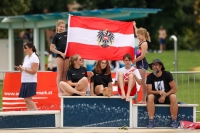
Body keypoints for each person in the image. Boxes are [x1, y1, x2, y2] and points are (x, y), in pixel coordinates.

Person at [146, 59, 178, 128]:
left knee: (173, 96)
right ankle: (151, 120)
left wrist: (164, 95)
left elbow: (174, 89)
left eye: (156, 65)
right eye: (153, 65)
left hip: (167, 95)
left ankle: (174, 120)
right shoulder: (150, 76)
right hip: (156, 97)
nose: (154, 67)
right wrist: (158, 92)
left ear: (160, 66)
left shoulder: (167, 74)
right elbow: (149, 91)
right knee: (150, 96)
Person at [15, 42, 39, 111]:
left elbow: (34, 71)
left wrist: (24, 69)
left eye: (25, 48)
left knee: (28, 100)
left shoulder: (34, 57)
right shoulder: (26, 57)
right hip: (25, 80)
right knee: (26, 100)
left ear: (31, 48)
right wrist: (21, 69)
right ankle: (30, 114)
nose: (24, 50)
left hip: (30, 81)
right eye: (23, 48)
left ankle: (36, 115)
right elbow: (25, 69)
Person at [133, 21, 150, 104]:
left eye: (139, 36)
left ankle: (144, 99)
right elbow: (137, 32)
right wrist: (134, 26)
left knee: (143, 82)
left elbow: (142, 56)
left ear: (143, 35)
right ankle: (143, 99)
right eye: (138, 36)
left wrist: (134, 61)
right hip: (139, 63)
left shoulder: (144, 44)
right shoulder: (140, 41)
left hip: (142, 63)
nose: (138, 37)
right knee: (141, 81)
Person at [50, 20, 69, 95]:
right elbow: (51, 48)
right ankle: (59, 90)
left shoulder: (67, 34)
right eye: (61, 27)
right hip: (60, 55)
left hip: (67, 55)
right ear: (57, 27)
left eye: (63, 27)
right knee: (60, 73)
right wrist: (60, 53)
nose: (62, 28)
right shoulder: (56, 36)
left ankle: (64, 89)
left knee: (65, 73)